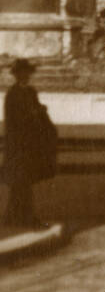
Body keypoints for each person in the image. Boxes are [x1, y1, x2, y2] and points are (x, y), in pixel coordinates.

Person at [2, 59, 56, 230]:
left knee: (23, 181)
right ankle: (27, 217)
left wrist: (40, 111)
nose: (25, 76)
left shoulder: (31, 92)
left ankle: (13, 215)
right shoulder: (13, 93)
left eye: (27, 73)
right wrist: (33, 114)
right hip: (18, 143)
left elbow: (36, 110)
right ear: (17, 75)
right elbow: (13, 119)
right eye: (21, 73)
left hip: (30, 142)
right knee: (22, 180)